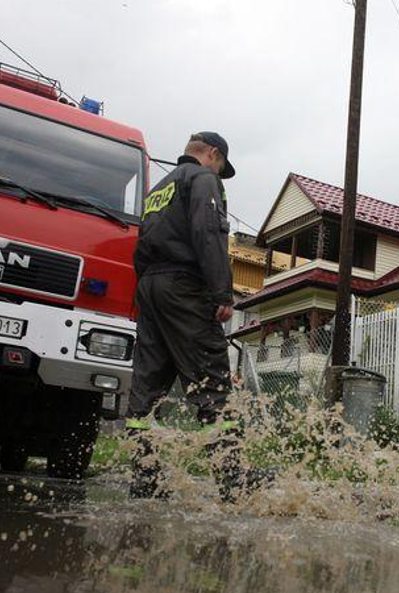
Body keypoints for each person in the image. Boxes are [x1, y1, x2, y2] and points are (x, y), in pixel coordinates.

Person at [126, 132, 237, 498]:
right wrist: (221, 291)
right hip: (185, 287)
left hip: (151, 287)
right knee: (211, 376)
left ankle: (146, 477)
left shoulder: (159, 188)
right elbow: (208, 234)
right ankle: (232, 479)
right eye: (221, 166)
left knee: (148, 387)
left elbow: (141, 244)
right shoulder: (204, 179)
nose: (219, 173)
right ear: (213, 155)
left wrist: (143, 295)